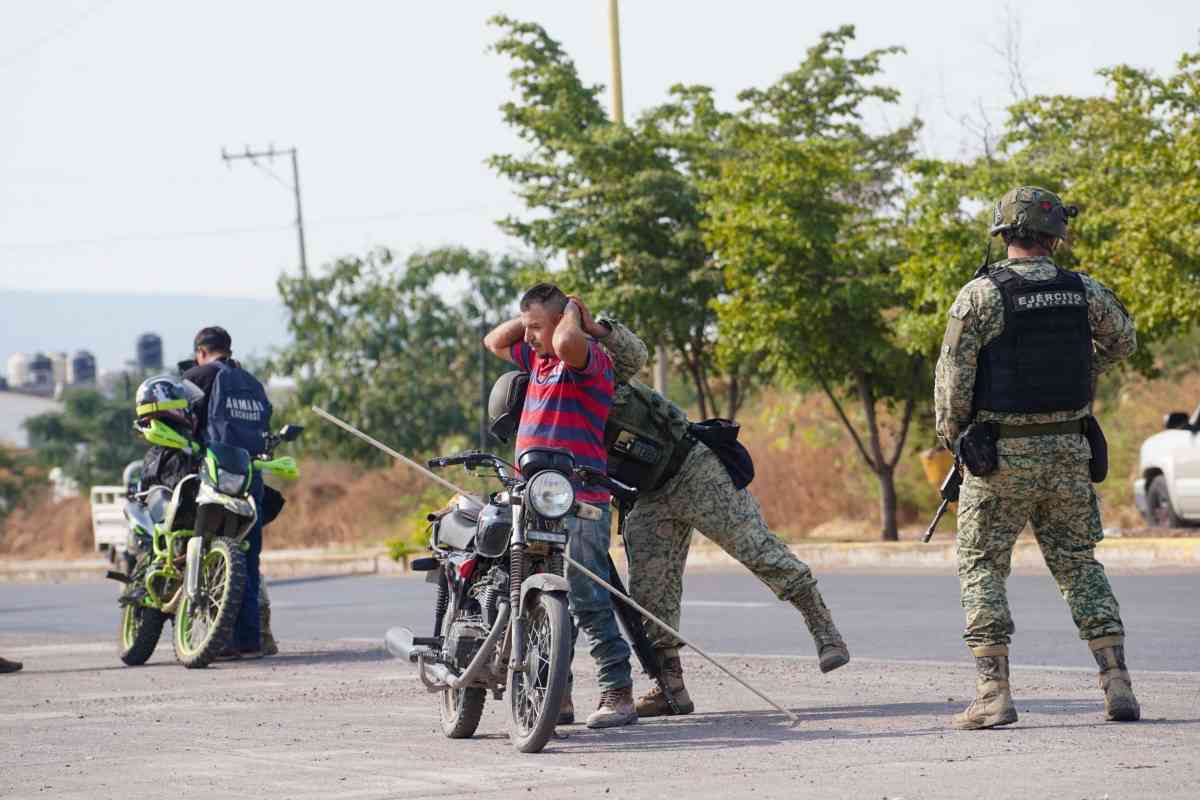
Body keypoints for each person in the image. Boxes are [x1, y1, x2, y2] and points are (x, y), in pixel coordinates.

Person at [576, 298, 850, 717]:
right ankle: (670, 687)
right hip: (646, 495)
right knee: (649, 593)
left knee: (757, 550)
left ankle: (824, 629)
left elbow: (635, 353)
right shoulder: (553, 400)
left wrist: (596, 329)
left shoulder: (593, 371)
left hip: (693, 470)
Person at [934, 186, 1139, 729]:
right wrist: (1079, 373)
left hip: (999, 454)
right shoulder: (1085, 291)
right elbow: (1124, 342)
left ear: (1004, 233)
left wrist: (955, 438)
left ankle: (992, 693)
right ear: (1055, 236)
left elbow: (953, 381)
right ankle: (1117, 683)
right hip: (1070, 449)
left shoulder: (979, 296)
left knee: (981, 565)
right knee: (1078, 564)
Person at [483, 283, 636, 729]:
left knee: (587, 597)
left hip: (580, 498)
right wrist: (534, 316)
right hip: (534, 497)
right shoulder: (538, 359)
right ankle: (556, 695)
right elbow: (495, 340)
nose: (527, 337)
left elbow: (569, 341)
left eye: (535, 328)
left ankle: (617, 692)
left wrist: (570, 312)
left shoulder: (588, 361)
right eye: (526, 328)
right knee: (535, 598)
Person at [183, 326, 275, 659]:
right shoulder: (252, 383)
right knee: (247, 559)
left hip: (215, 478)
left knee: (207, 556)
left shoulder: (197, 376)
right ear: (228, 349)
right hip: (252, 479)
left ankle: (216, 640)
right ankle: (249, 640)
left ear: (201, 352)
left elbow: (181, 421)